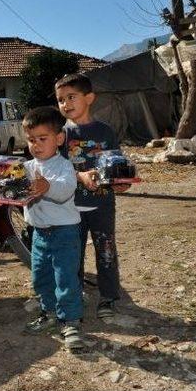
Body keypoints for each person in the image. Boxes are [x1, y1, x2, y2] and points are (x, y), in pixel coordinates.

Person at [55, 73, 130, 320]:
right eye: (61, 99)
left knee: (106, 250)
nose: (66, 104)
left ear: (89, 98)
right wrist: (80, 177)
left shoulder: (104, 131)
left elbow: (114, 165)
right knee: (71, 254)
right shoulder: (59, 135)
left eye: (71, 97)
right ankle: (73, 295)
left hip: (102, 205)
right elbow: (57, 169)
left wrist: (121, 182)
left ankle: (108, 298)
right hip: (70, 208)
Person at [20, 107, 85, 352]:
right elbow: (14, 190)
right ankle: (48, 313)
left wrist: (46, 186)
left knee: (65, 278)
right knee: (41, 277)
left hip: (65, 232)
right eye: (31, 140)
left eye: (42, 139)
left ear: (59, 139)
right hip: (38, 233)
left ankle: (71, 323)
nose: (36, 145)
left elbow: (65, 191)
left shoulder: (64, 167)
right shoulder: (26, 167)